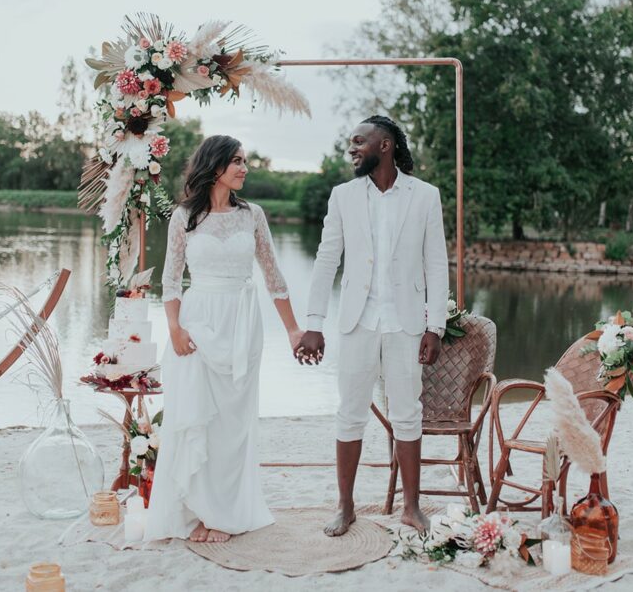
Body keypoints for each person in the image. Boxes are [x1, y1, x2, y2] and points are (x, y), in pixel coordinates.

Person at [144, 134, 303, 544]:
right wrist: (174, 329)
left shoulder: (253, 215)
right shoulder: (184, 217)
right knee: (195, 417)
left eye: (245, 161)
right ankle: (197, 511)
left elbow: (273, 277)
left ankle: (225, 513)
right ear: (215, 166)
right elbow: (171, 278)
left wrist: (292, 329)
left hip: (241, 324)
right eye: (237, 161)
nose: (244, 168)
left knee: (232, 424)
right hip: (196, 326)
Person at [296, 115, 449, 536]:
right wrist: (314, 323)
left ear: (386, 145)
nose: (353, 148)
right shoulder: (343, 196)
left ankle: (412, 508)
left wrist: (434, 326)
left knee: (407, 414)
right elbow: (327, 260)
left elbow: (436, 264)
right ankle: (345, 507)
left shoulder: (425, 196)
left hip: (405, 324)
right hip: (356, 322)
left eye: (360, 141)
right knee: (349, 413)